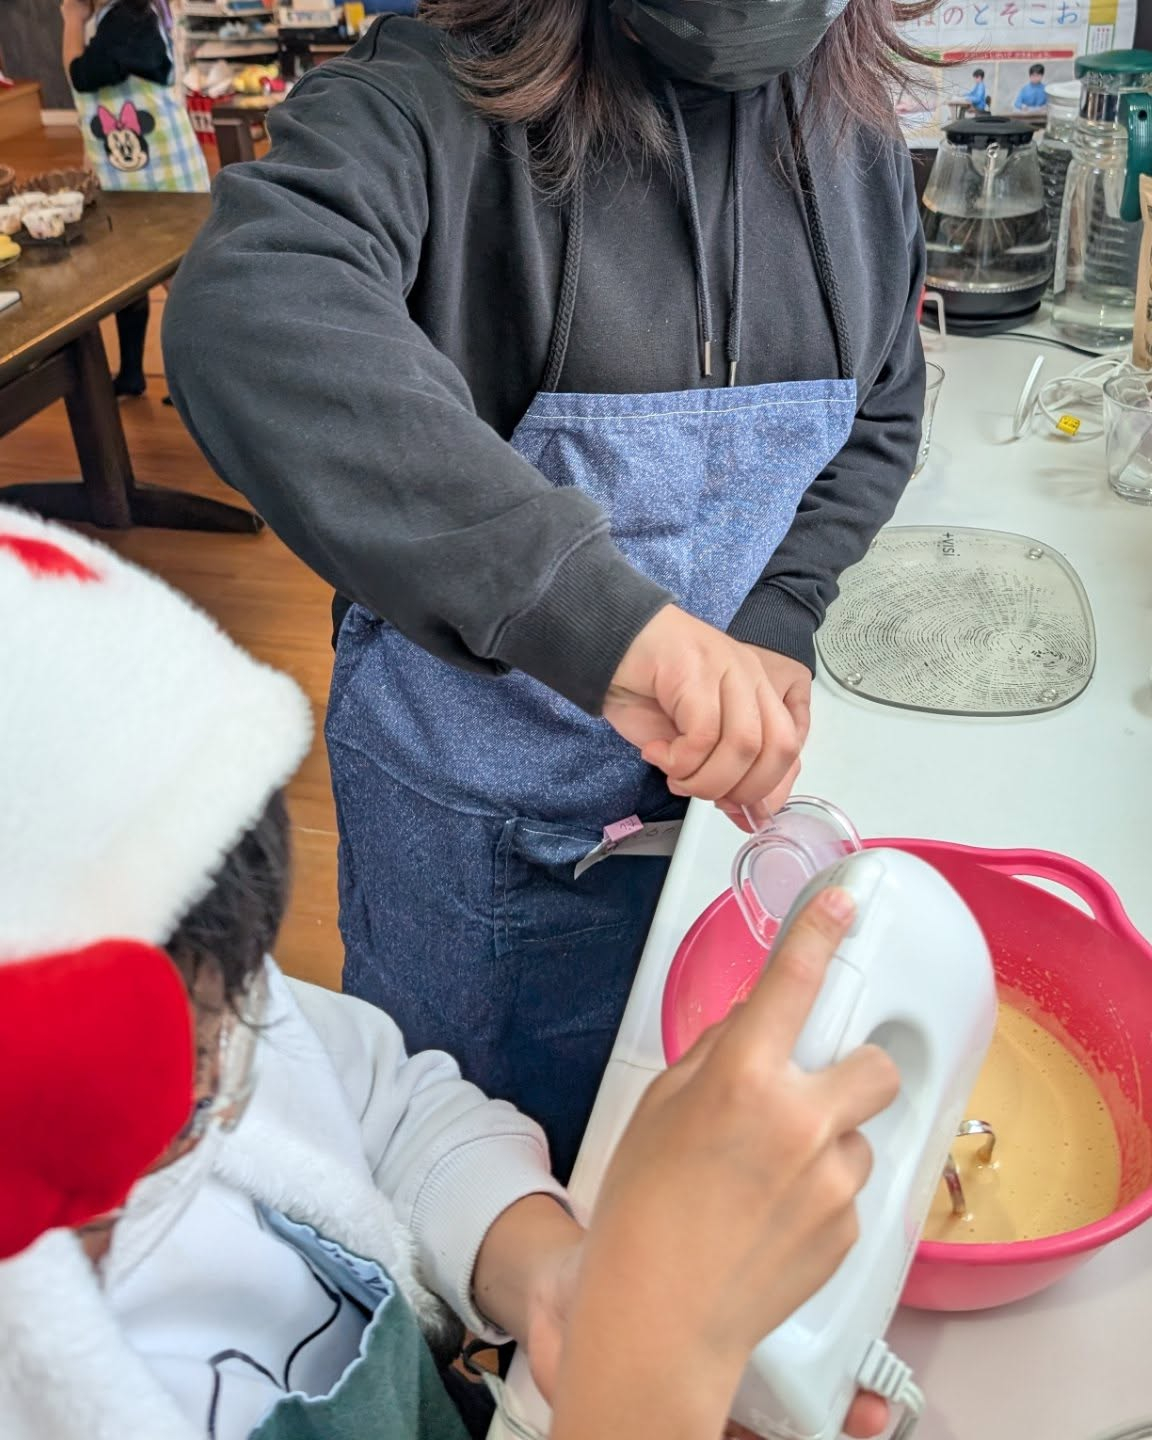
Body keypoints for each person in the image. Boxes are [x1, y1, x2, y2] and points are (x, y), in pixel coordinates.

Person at [163, 0, 928, 1179]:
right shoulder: (430, 95)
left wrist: (779, 615)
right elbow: (250, 306)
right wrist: (605, 625)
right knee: (466, 1164)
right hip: (466, 826)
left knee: (639, 1137)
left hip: (698, 819)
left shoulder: (859, 143)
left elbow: (878, 414)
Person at [0, 507, 898, 1440]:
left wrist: (556, 1282)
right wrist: (644, 1389)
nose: (217, 1080)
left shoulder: (190, 988)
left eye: (225, 1022)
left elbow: (384, 1109)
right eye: (153, 1095)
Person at [62, 0, 208, 397]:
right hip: (140, 179)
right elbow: (102, 100)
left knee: (179, 282)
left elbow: (81, 76)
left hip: (159, 186)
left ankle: (208, 380)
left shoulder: (130, 16)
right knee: (133, 277)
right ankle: (132, 373)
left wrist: (71, 21)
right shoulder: (127, 19)